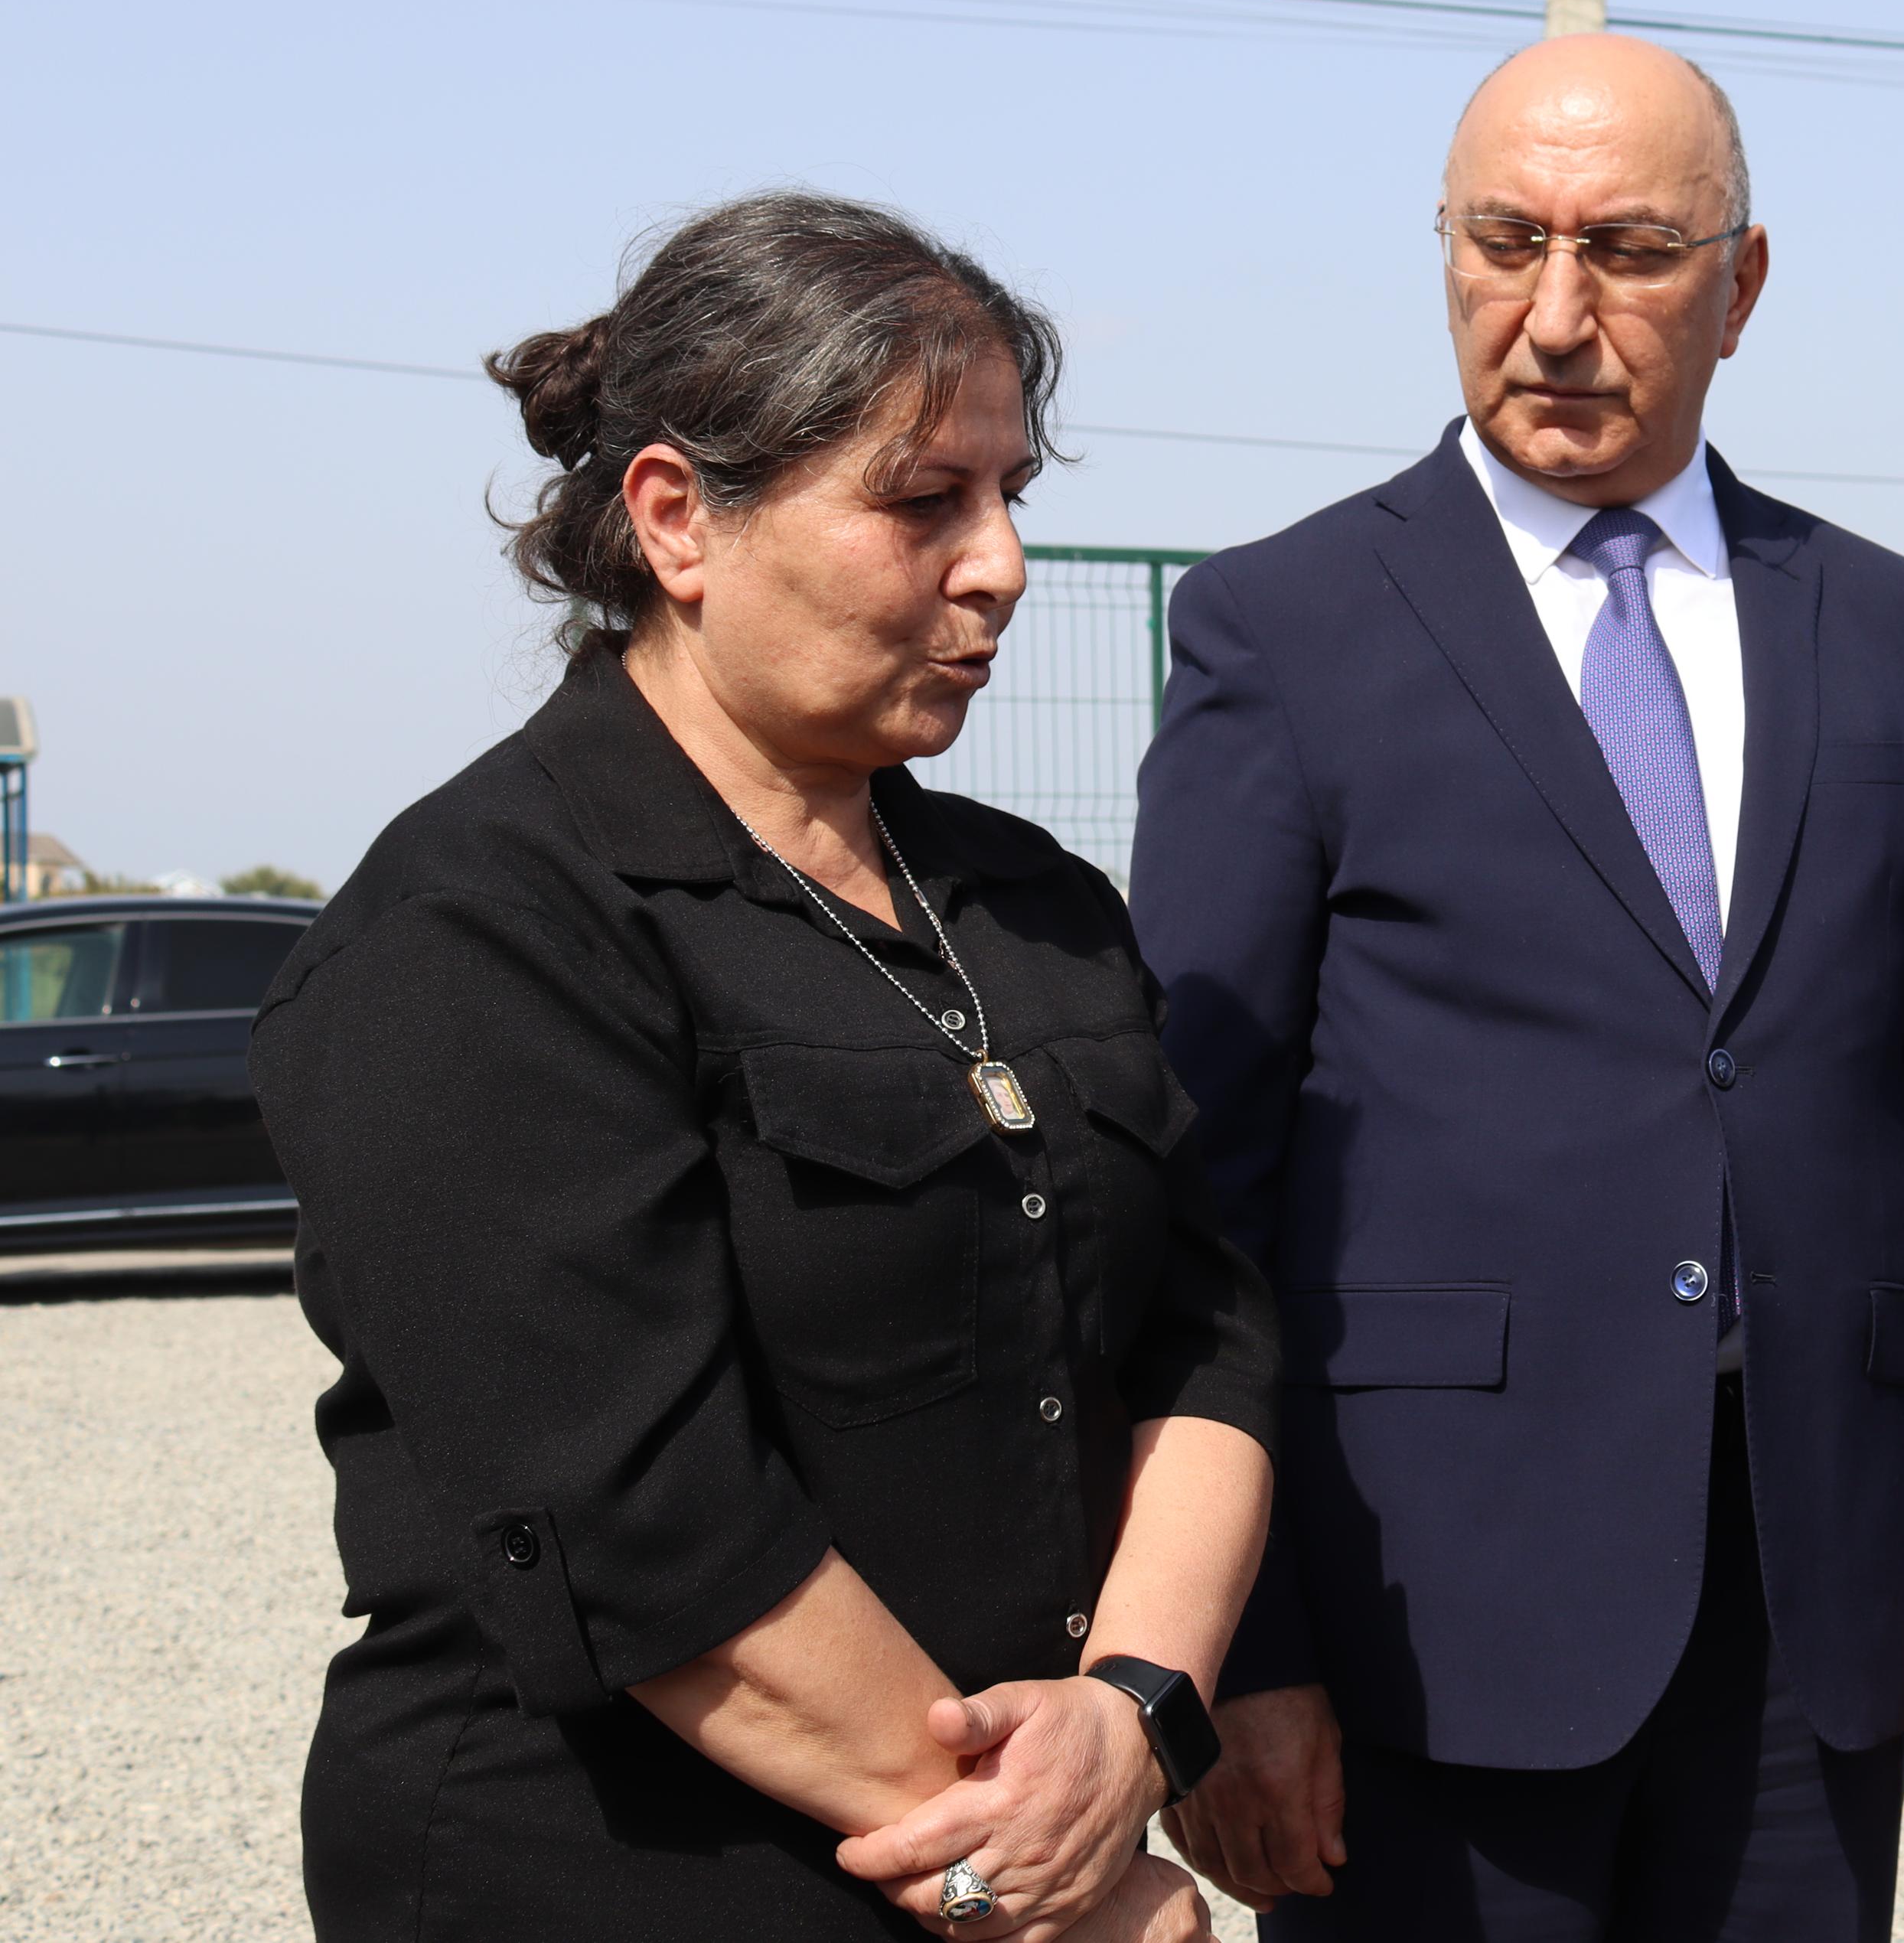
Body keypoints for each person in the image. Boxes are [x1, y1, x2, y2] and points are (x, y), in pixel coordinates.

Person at [1126, 34, 1904, 1941]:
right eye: (1505, 242)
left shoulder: (1876, 623)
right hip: (1426, 1623)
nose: (1554, 314)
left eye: (1628, 251)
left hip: (1811, 1603)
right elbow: (1189, 1189)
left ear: (1741, 282)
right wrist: (1243, 1650)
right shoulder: (1285, 627)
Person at [251, 192, 1276, 1941]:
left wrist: (1129, 1717)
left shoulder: (1036, 909)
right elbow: (639, 1515)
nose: (999, 565)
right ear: (677, 519)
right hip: (617, 1880)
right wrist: (1040, 1880)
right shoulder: (481, 932)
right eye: (922, 499)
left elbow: (1207, 1331)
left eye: (1010, 495)